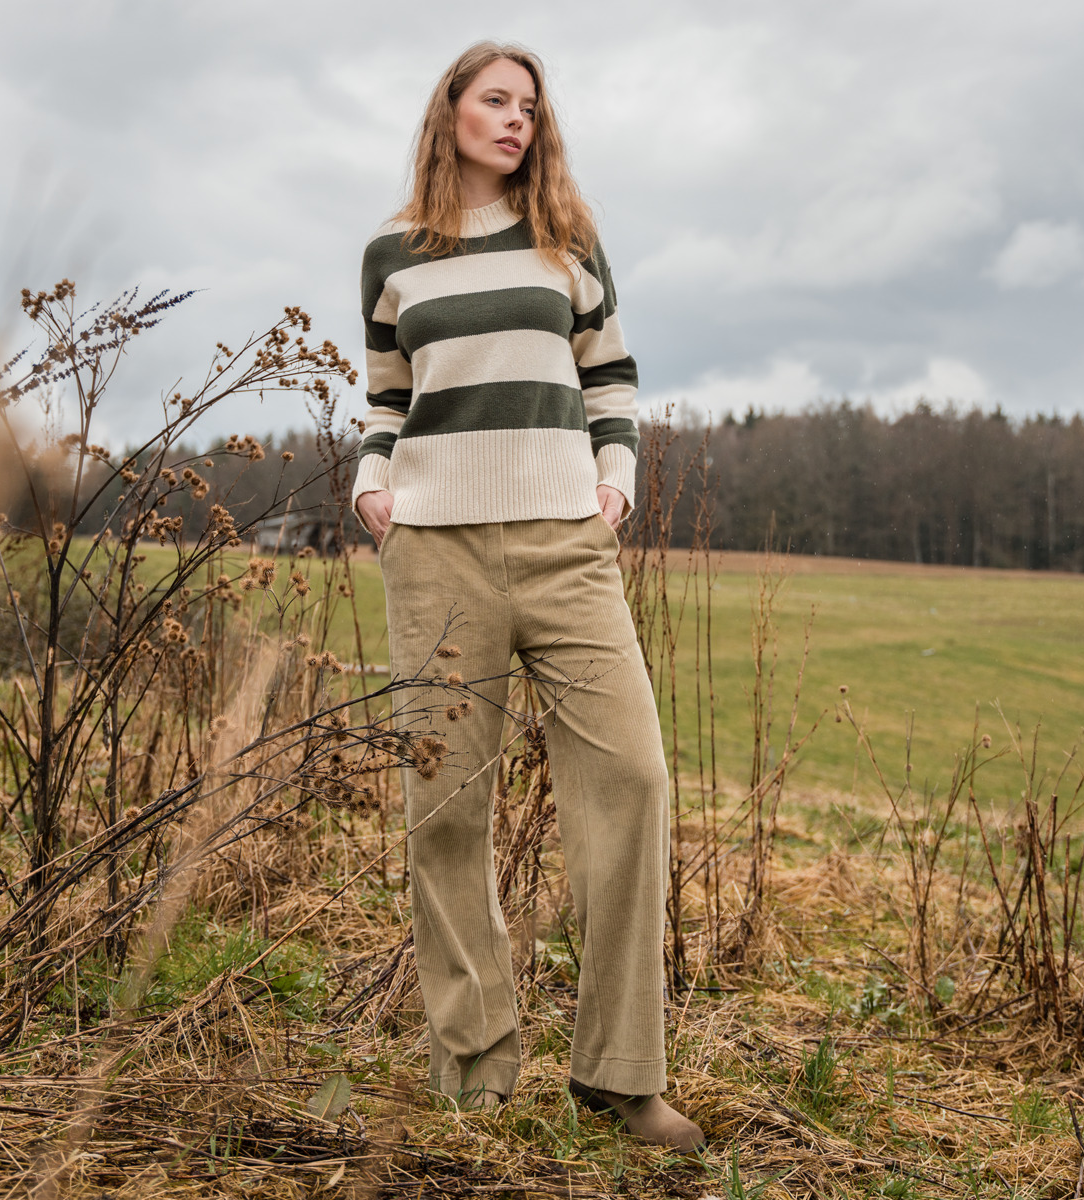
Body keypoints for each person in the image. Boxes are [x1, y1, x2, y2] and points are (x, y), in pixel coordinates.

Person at [352, 41, 704, 1153]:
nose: (515, 120)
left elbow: (610, 377)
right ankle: (473, 1066)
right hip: (435, 554)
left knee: (632, 777)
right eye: (495, 100)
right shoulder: (391, 256)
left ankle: (617, 1075)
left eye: (530, 108)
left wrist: (615, 480)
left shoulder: (568, 245)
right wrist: (371, 479)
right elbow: (383, 398)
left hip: (566, 545)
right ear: (449, 109)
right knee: (446, 809)